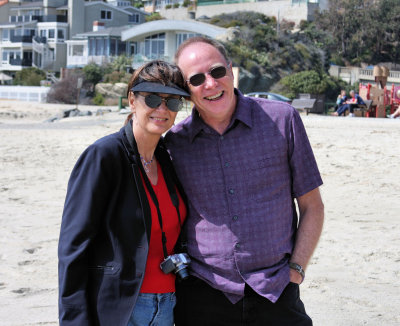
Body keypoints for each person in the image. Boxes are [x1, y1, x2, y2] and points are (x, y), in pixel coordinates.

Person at [165, 36, 324, 326]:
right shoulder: (175, 144)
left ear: (230, 69)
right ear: (186, 90)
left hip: (276, 289)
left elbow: (312, 206)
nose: (211, 84)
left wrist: (297, 269)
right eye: (197, 79)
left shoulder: (283, 120)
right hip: (203, 294)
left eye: (216, 71)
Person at [58, 60, 190, 326]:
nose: (162, 109)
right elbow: (73, 248)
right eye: (152, 98)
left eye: (173, 102)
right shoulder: (103, 156)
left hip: (168, 306)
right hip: (120, 309)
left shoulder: (170, 158)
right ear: (132, 100)